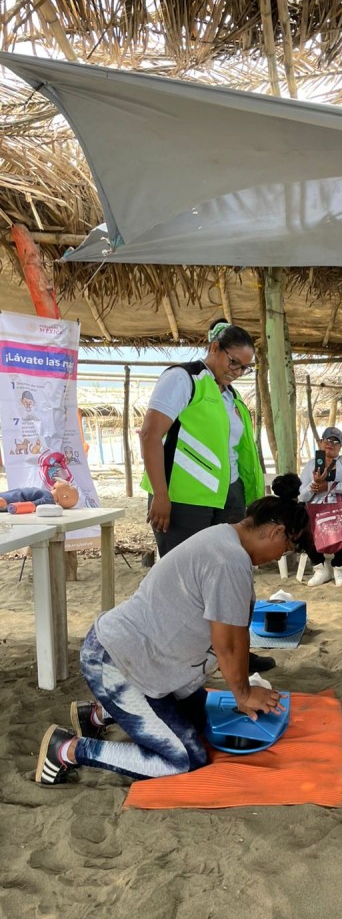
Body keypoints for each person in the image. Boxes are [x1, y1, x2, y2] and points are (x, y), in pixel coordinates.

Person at [35, 493, 311, 785]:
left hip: (142, 661)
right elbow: (228, 644)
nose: (280, 556)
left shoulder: (226, 539)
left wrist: (243, 689)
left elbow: (237, 632)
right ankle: (67, 750)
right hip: (116, 662)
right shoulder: (229, 559)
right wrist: (243, 694)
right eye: (287, 548)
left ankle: (95, 716)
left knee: (199, 721)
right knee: (185, 758)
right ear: (276, 531)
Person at [140, 319, 264, 557]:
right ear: (215, 348)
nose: (237, 372)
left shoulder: (232, 397)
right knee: (186, 568)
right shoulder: (184, 378)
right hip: (184, 500)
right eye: (234, 362)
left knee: (223, 568)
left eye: (244, 368)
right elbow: (149, 435)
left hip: (228, 497)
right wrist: (161, 495)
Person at [299, 426, 342, 587]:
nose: (331, 444)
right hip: (318, 510)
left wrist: (329, 487)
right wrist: (314, 486)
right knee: (301, 526)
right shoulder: (311, 465)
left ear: (340, 446)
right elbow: (302, 496)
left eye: (336, 441)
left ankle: (339, 567)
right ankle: (320, 568)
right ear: (321, 442)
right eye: (327, 440)